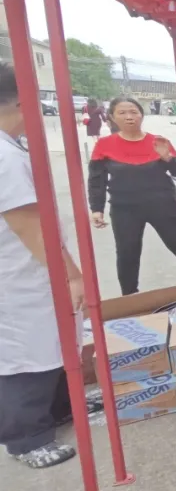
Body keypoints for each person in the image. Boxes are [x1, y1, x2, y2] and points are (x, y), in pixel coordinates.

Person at [0, 63, 89, 469]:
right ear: (21, 101)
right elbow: (28, 224)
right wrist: (71, 274)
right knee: (26, 355)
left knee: (52, 342)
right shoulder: (4, 155)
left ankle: (59, 409)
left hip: (32, 269)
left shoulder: (12, 145)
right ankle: (27, 438)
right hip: (19, 275)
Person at [89, 97, 176, 296]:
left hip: (162, 204)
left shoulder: (158, 142)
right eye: (122, 113)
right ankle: (130, 295)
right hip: (124, 207)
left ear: (142, 115)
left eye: (134, 112)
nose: (129, 117)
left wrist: (167, 158)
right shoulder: (104, 145)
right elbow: (96, 180)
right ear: (112, 117)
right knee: (127, 251)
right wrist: (96, 209)